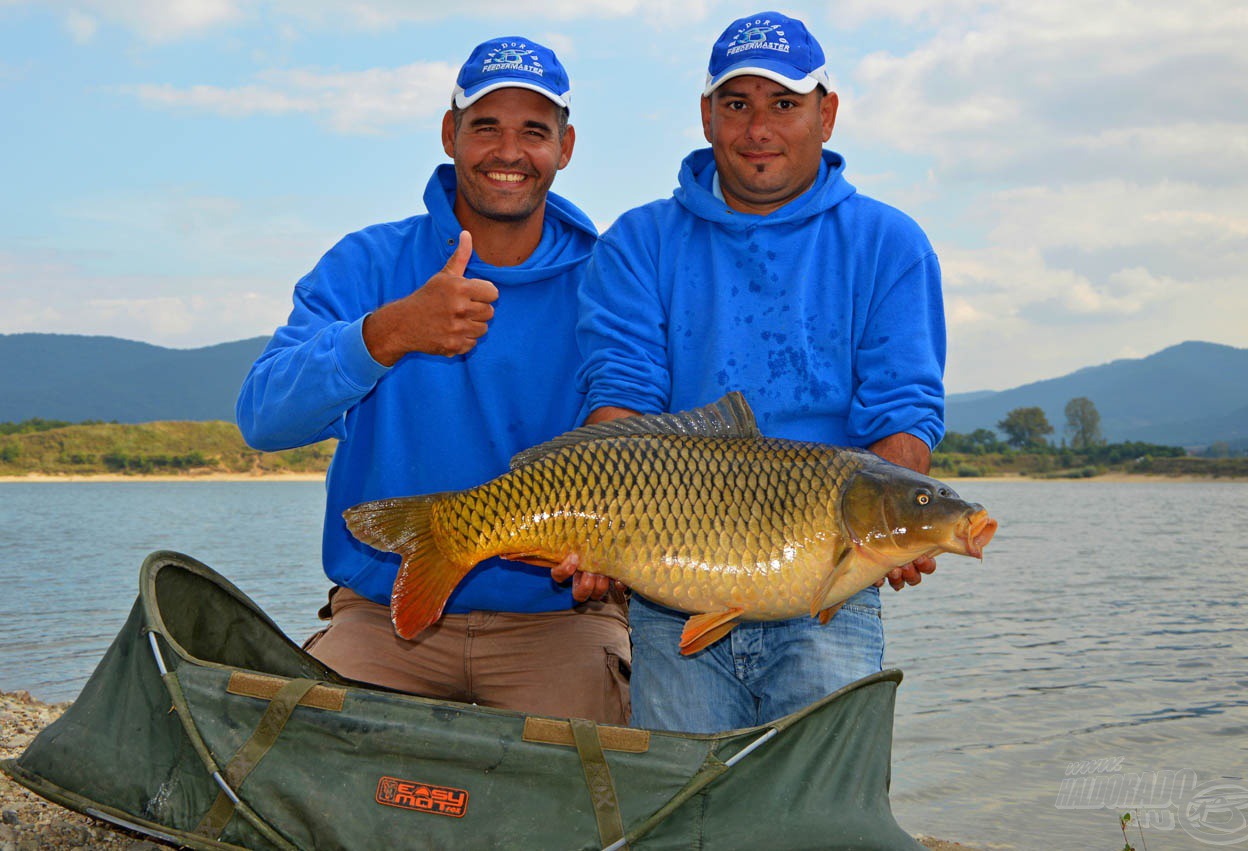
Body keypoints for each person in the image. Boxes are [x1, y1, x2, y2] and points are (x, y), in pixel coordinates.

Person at [236, 37, 630, 724]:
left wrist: (617, 553)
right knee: (314, 764)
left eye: (533, 131)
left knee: (591, 801)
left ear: (565, 148)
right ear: (450, 135)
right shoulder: (368, 262)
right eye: (485, 127)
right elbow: (264, 418)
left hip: (562, 618)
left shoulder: (612, 280)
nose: (508, 152)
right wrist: (386, 334)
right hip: (387, 612)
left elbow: (644, 442)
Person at [572, 12, 946, 733]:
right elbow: (621, 396)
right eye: (737, 104)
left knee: (813, 809)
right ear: (707, 115)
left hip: (825, 588)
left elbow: (902, 415)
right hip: (674, 579)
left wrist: (897, 521)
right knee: (689, 810)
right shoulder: (640, 242)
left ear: (826, 114)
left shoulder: (889, 244)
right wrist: (596, 526)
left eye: (784, 104)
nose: (758, 129)